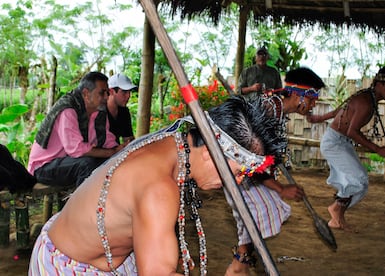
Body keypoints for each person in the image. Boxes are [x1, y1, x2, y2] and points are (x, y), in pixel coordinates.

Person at [28, 96, 283, 275]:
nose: (238, 182)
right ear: (211, 154)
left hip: (92, 251)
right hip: (68, 265)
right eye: (238, 172)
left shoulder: (172, 139)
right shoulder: (158, 190)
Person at [225, 67, 326, 276]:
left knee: (255, 220)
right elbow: (246, 158)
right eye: (313, 97)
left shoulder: (277, 110)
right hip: (236, 171)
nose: (314, 103)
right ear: (299, 94)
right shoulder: (268, 110)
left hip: (245, 172)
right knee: (264, 208)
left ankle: (240, 265)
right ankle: (239, 264)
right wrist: (280, 188)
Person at [306, 65, 385, 231]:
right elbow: (352, 131)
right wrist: (378, 150)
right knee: (358, 178)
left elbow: (340, 111)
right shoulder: (366, 102)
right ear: (378, 83)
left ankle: (337, 216)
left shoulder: (367, 97)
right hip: (334, 143)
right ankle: (336, 210)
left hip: (341, 142)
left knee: (361, 182)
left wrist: (319, 118)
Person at [27, 71, 125, 187]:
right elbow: (76, 150)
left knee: (113, 161)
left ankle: (104, 203)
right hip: (44, 167)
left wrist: (121, 150)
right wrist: (111, 152)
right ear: (86, 94)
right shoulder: (68, 109)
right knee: (87, 164)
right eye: (102, 93)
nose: (106, 97)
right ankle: (83, 204)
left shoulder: (99, 112)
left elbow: (107, 140)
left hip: (68, 162)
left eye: (107, 93)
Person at [107, 73, 137, 144]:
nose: (128, 96)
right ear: (111, 91)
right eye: (124, 92)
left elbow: (128, 139)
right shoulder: (98, 113)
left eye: (130, 92)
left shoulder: (124, 112)